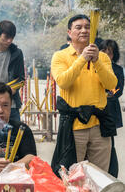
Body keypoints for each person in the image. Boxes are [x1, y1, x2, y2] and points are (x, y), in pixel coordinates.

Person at [50, 14, 117, 175]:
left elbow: (111, 84)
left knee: (100, 175)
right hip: (74, 126)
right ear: (69, 32)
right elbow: (63, 81)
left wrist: (96, 61)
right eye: (78, 27)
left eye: (87, 27)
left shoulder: (102, 58)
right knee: (72, 175)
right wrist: (82, 59)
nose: (84, 30)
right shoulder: (60, 56)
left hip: (99, 125)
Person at [99, 39, 123, 178]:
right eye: (104, 51)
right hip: (95, 110)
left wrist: (104, 95)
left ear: (114, 55)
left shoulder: (118, 70)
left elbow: (118, 90)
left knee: (109, 143)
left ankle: (110, 173)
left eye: (110, 53)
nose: (107, 55)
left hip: (110, 111)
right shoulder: (93, 66)